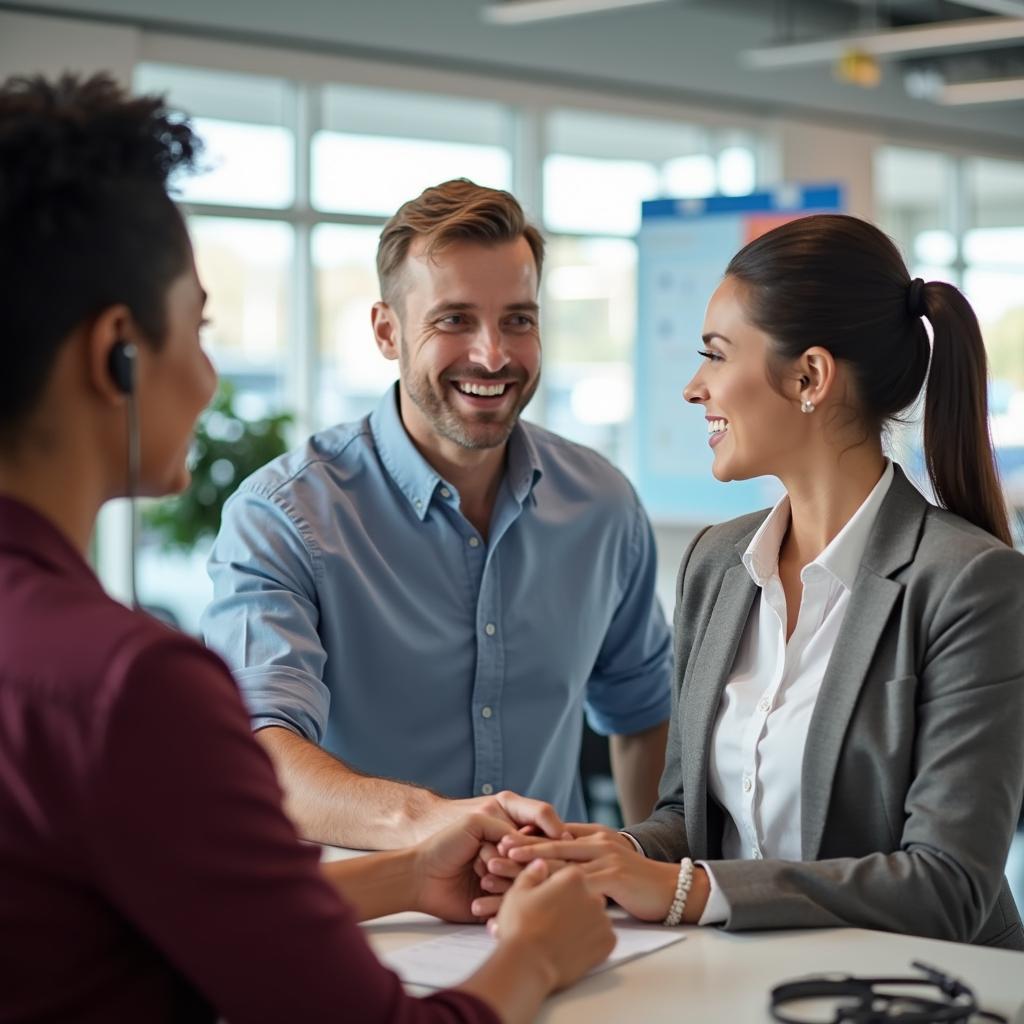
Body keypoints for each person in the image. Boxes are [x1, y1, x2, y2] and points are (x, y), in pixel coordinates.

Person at [0, 71, 616, 1024]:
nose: (209, 380)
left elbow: (156, 926)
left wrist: (409, 875)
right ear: (115, 353)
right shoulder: (128, 687)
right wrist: (535, 957)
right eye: (196, 329)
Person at [488, 214, 1024, 948]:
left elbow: (949, 885)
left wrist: (687, 889)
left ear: (809, 377)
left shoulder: (971, 585)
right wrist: (614, 855)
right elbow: (688, 815)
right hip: (743, 981)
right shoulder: (718, 563)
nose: (692, 387)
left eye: (715, 355)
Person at [201, 178, 673, 850]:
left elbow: (643, 716)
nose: (493, 354)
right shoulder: (283, 516)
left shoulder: (602, 505)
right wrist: (433, 825)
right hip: (359, 927)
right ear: (387, 331)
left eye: (518, 319)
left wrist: (651, 874)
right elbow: (262, 753)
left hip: (549, 910)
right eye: (454, 320)